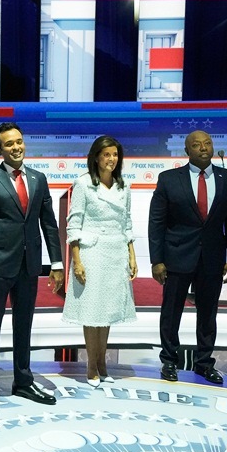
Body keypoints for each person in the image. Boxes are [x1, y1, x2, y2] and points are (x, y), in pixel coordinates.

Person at [0, 122, 64, 411]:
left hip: (29, 265)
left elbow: (49, 223)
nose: (16, 147)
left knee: (24, 326)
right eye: (9, 144)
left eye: (19, 141)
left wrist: (56, 263)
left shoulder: (38, 178)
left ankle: (22, 381)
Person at [148, 130, 227, 385]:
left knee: (208, 313)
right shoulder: (169, 179)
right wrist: (156, 260)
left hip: (213, 258)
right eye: (196, 145)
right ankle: (169, 361)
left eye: (208, 143)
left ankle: (204, 363)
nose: (203, 148)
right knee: (171, 312)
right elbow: (157, 222)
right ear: (186, 151)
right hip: (177, 256)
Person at [63, 136, 138, 388]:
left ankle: (103, 363)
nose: (111, 159)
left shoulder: (123, 185)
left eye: (115, 154)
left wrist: (132, 254)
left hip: (116, 253)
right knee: (92, 311)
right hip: (92, 253)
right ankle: (91, 366)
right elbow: (74, 224)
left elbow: (126, 223)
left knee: (107, 312)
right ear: (96, 157)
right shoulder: (83, 184)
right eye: (106, 154)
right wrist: (77, 261)